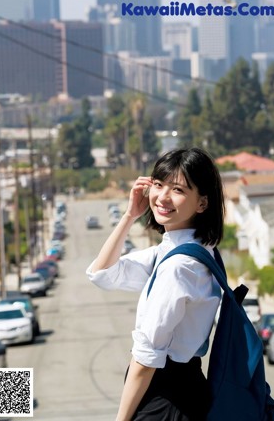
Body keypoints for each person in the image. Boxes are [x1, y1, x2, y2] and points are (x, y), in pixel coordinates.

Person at [86, 147, 225, 421]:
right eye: (158, 184)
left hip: (167, 399)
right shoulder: (190, 251)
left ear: (202, 203)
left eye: (178, 189)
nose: (162, 197)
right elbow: (102, 273)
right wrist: (129, 216)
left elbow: (145, 360)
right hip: (182, 391)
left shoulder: (178, 266)